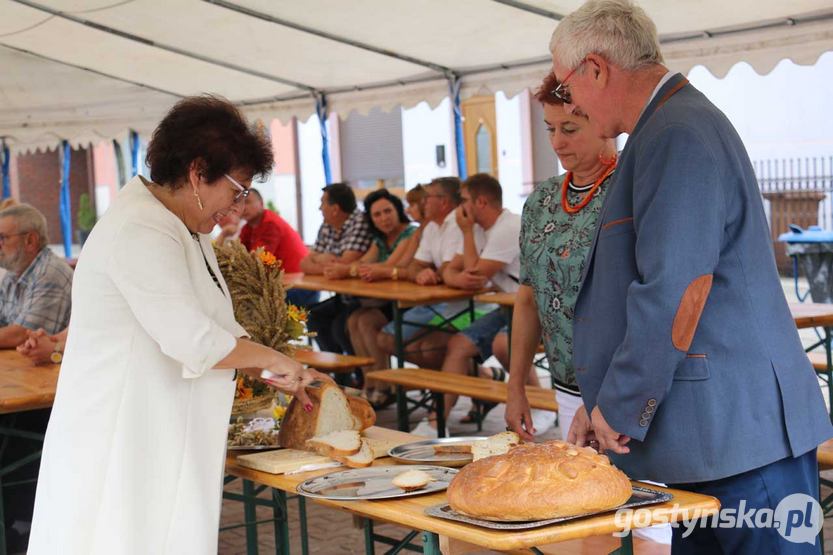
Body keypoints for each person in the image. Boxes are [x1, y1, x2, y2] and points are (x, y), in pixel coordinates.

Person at [550, 1, 833, 552]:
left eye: (567, 88)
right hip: (720, 435)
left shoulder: (677, 131)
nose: (572, 102)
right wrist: (604, 398)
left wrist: (620, 402)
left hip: (739, 439)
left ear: (596, 69)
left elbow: (677, 289)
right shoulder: (669, 126)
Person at [28, 96, 327, 554]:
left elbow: (219, 328)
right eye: (238, 189)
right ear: (197, 172)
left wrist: (277, 372)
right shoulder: (140, 230)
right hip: (122, 436)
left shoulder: (181, 224)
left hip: (159, 430)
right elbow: (194, 339)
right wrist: (275, 359)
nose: (238, 205)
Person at [503, 71, 617, 442]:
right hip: (566, 385)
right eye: (550, 129)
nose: (556, 142)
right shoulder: (541, 201)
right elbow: (528, 297)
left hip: (622, 389)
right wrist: (515, 385)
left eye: (569, 128)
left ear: (603, 120)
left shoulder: (630, 189)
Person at [412, 174, 522, 436]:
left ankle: (537, 404)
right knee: (458, 345)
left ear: (481, 202)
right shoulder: (476, 229)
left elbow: (474, 273)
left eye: (463, 200)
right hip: (505, 306)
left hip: (531, 307)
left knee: (503, 345)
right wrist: (457, 270)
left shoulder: (508, 227)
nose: (459, 207)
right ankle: (435, 422)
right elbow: (453, 270)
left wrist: (465, 236)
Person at [324, 189, 417, 406]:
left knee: (365, 321)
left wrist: (348, 270)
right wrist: (353, 268)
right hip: (383, 300)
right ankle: (370, 383)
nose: (384, 218)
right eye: (377, 215)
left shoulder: (410, 233)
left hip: (406, 303)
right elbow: (364, 264)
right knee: (354, 320)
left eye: (388, 211)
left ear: (398, 210)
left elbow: (389, 266)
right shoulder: (379, 240)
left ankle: (384, 386)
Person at [376, 177, 468, 369]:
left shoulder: (458, 224)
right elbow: (415, 266)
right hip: (435, 302)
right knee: (385, 338)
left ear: (443, 202)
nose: (423, 202)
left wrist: (429, 273)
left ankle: (465, 380)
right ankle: (453, 382)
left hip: (464, 304)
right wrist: (421, 273)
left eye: (427, 197)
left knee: (425, 348)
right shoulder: (431, 226)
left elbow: (448, 269)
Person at [303, 183, 373, 366]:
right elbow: (305, 263)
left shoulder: (360, 222)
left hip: (364, 299)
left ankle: (355, 374)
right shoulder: (327, 225)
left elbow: (345, 264)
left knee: (339, 327)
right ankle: (339, 372)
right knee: (312, 315)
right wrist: (327, 260)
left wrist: (320, 260)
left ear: (335, 209)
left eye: (322, 203)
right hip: (343, 297)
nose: (319, 208)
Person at [0, 204, 73, 347]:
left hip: (53, 367)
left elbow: (21, 335)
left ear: (30, 241)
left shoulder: (50, 273)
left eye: (2, 237)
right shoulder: (13, 273)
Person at [239, 188, 317, 307]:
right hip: (283, 283)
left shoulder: (270, 223)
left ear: (261, 203)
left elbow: (255, 261)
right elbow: (239, 256)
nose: (243, 207)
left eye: (248, 202)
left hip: (300, 285)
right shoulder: (248, 228)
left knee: (251, 303)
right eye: (240, 203)